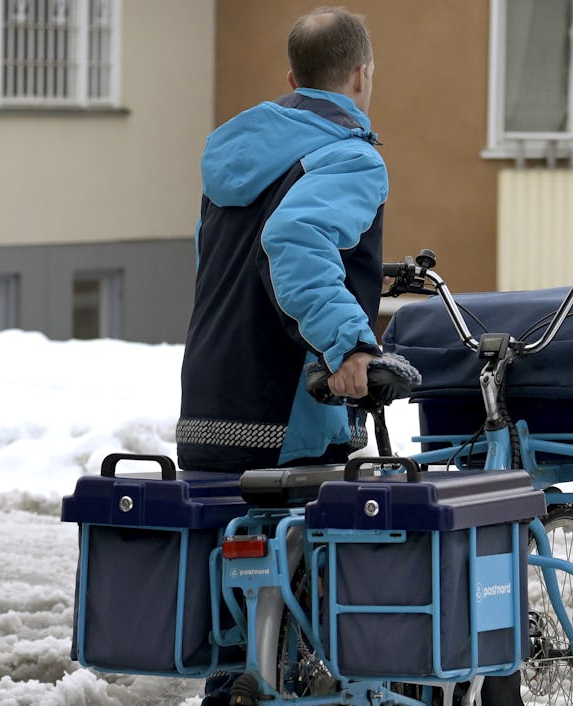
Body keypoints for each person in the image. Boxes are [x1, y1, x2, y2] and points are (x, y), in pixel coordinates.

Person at [175, 7, 385, 705]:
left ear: (292, 80)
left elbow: (220, 265)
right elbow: (294, 242)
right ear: (362, 75)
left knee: (239, 630)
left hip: (211, 407)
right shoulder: (349, 155)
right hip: (285, 415)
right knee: (321, 614)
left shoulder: (234, 154)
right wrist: (348, 343)